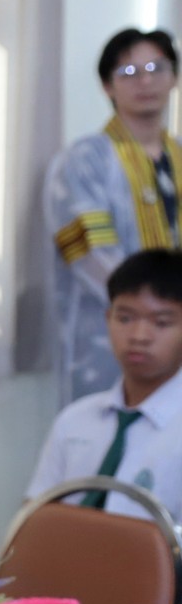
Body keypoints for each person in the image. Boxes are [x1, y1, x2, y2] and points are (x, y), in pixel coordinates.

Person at [46, 28, 182, 404]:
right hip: (109, 342)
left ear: (174, 78)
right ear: (108, 86)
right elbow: (91, 255)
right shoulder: (84, 161)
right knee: (105, 429)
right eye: (129, 72)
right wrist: (156, 312)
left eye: (156, 68)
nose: (145, 81)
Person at [28, 249, 182, 517]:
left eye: (161, 323)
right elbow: (35, 519)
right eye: (125, 318)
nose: (139, 336)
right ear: (108, 319)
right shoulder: (74, 420)